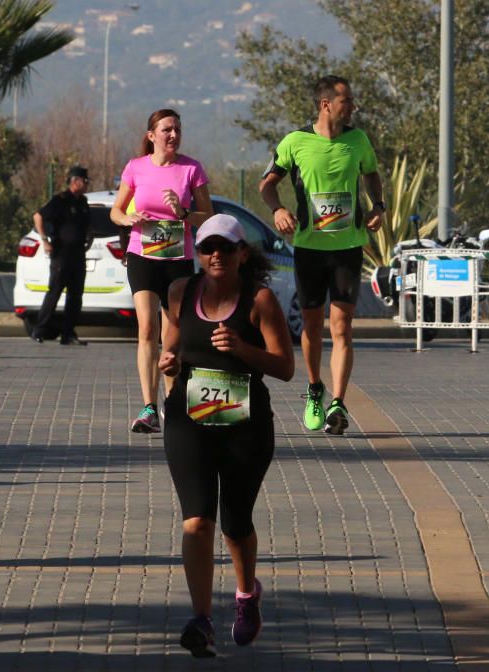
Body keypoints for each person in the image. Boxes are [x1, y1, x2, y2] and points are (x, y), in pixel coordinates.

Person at [158, 214, 294, 657]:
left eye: (224, 247)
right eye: (206, 247)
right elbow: (172, 346)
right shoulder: (181, 292)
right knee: (198, 520)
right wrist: (169, 364)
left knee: (235, 524)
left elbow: (285, 367)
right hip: (190, 418)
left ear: (241, 253)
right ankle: (201, 619)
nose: (215, 255)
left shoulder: (259, 300)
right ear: (198, 253)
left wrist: (242, 349)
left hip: (245, 424)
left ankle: (245, 595)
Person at [258, 75, 384, 436]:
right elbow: (266, 184)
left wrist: (379, 205)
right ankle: (315, 388)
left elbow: (372, 175)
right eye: (347, 101)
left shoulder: (358, 140)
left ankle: (339, 402)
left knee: (342, 327)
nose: (353, 107)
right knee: (312, 327)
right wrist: (277, 210)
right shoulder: (295, 141)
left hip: (347, 247)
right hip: (310, 249)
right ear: (326, 104)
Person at [110, 108, 214, 434]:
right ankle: (148, 407)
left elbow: (207, 216)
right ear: (151, 135)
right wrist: (127, 219)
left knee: (173, 337)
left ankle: (172, 402)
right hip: (143, 255)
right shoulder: (135, 168)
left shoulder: (191, 169)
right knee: (146, 329)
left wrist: (183, 212)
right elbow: (115, 210)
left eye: (177, 129)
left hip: (176, 260)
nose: (173, 135)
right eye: (167, 129)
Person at [31, 165, 93, 345]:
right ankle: (39, 329)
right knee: (55, 292)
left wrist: (89, 238)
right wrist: (44, 239)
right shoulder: (61, 200)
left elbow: (87, 224)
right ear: (75, 181)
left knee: (75, 295)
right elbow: (38, 216)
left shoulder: (82, 202)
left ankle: (68, 333)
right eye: (85, 181)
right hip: (61, 254)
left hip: (78, 255)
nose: (87, 184)